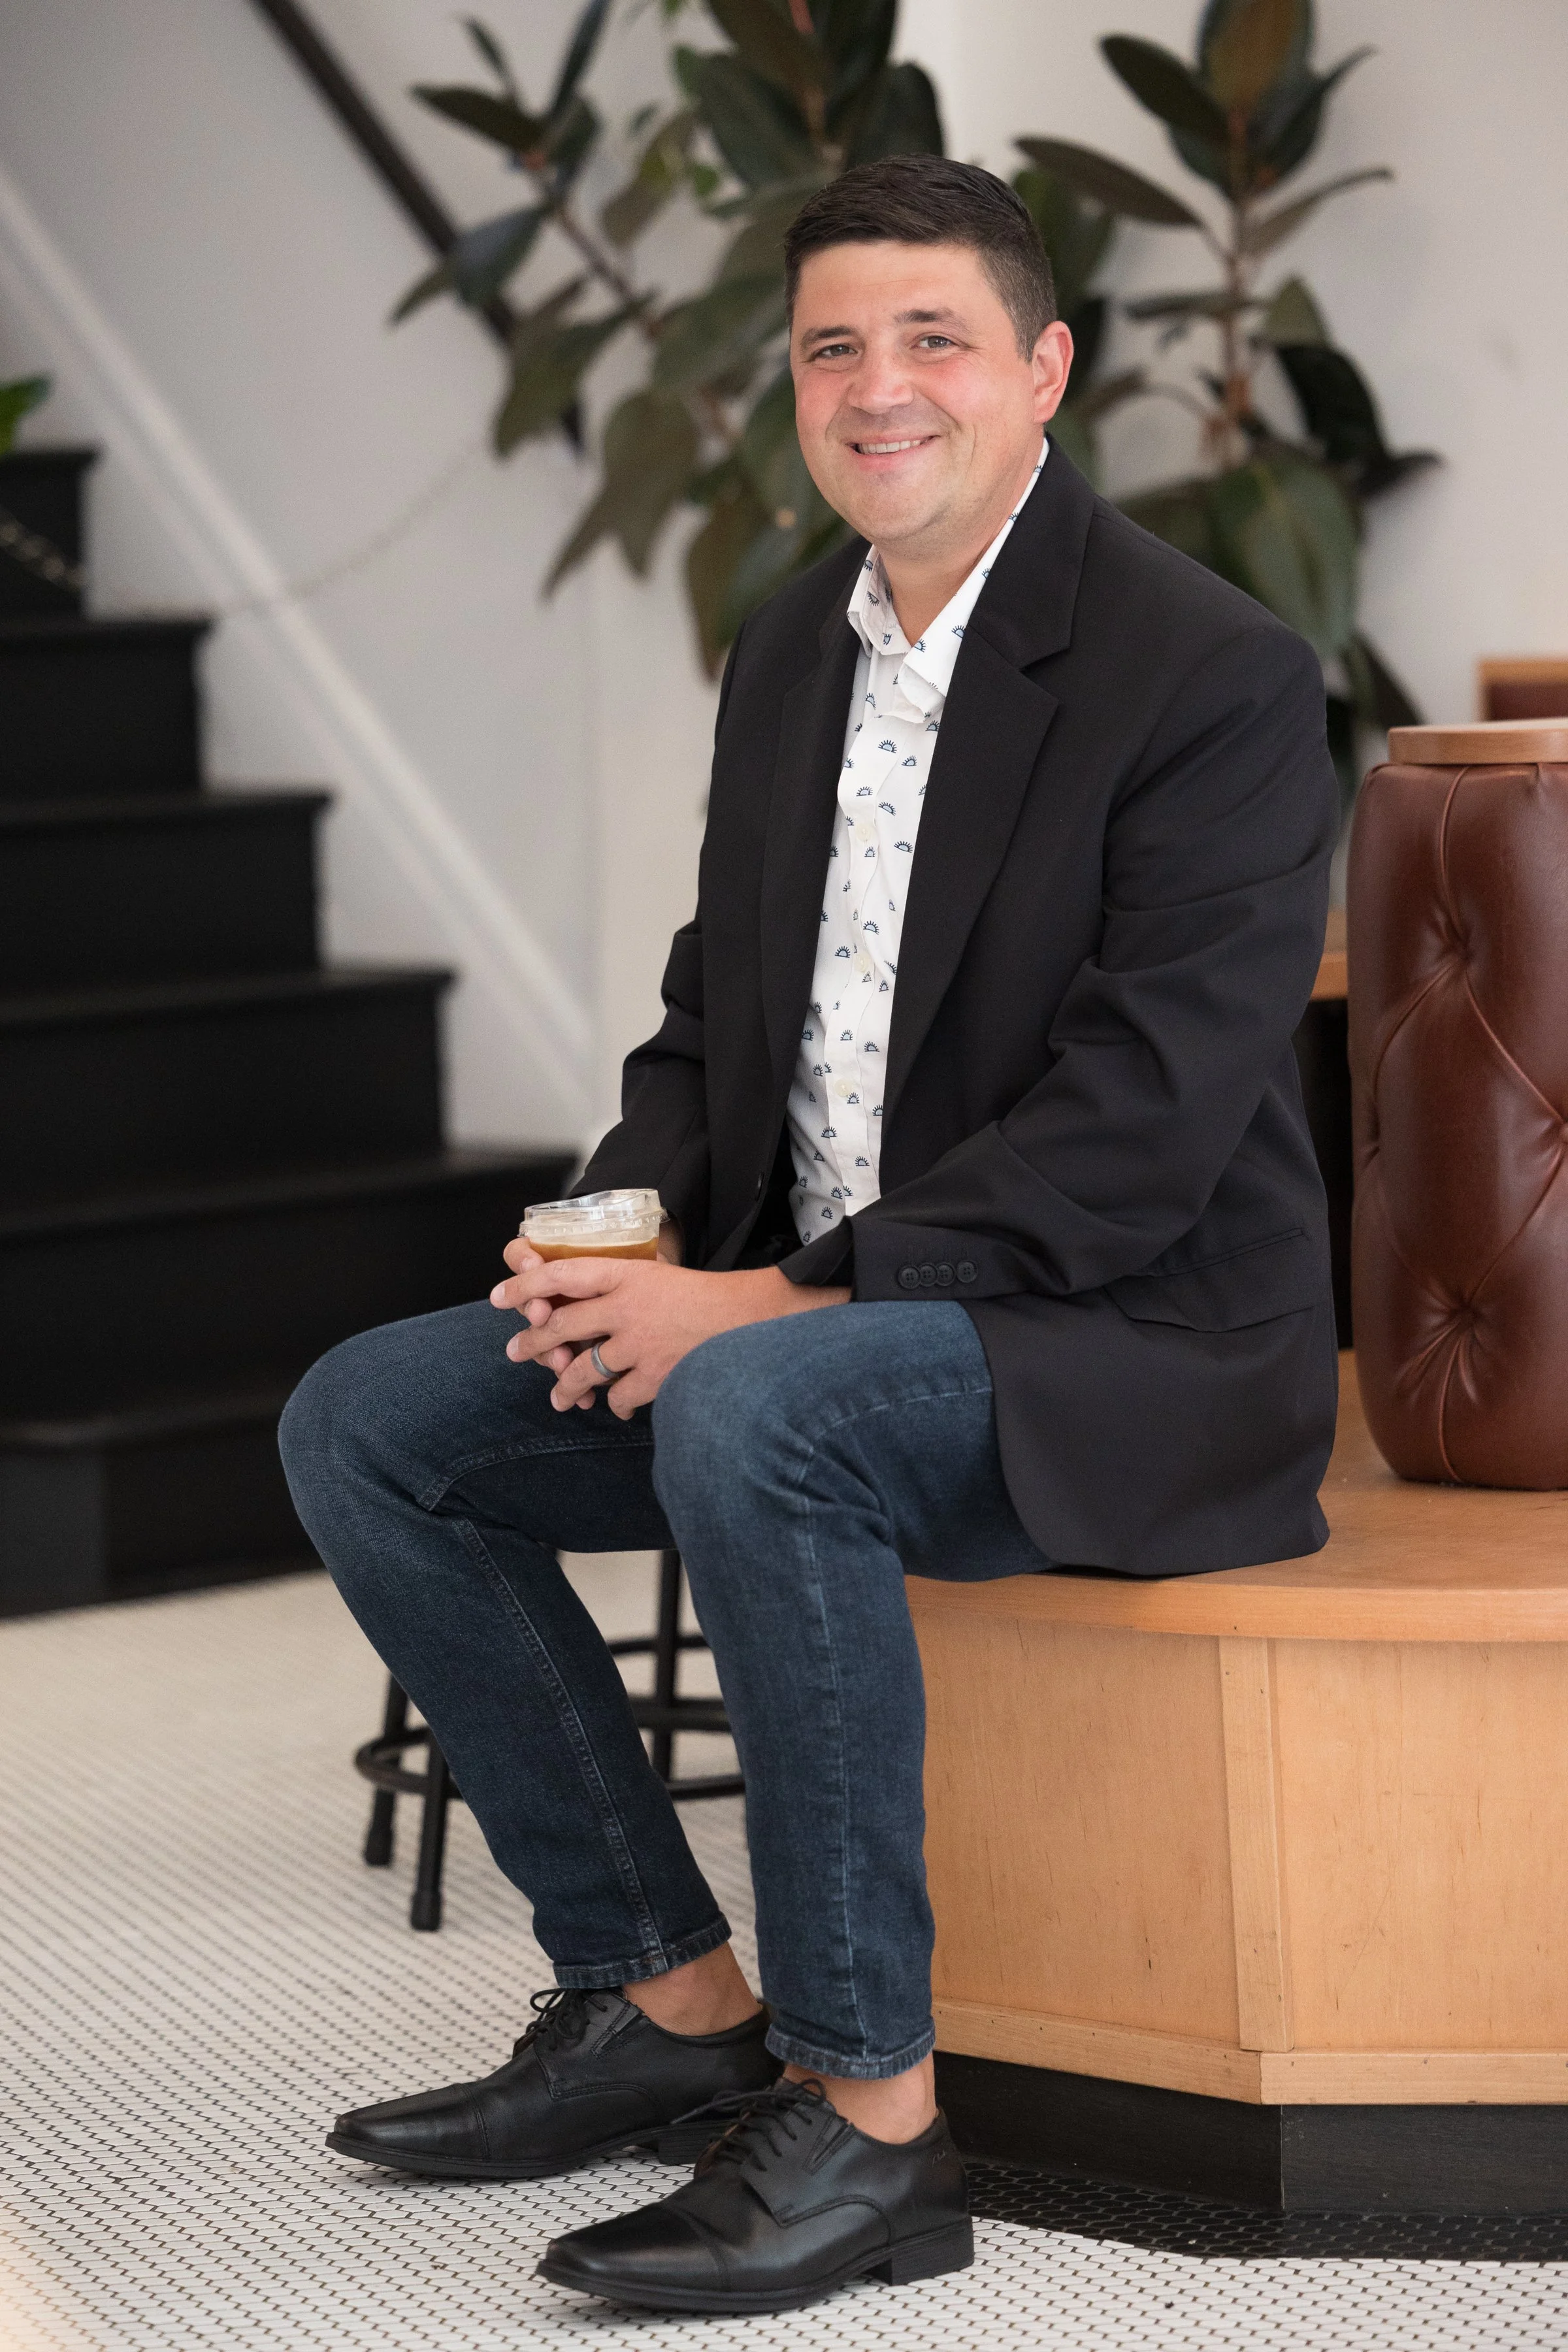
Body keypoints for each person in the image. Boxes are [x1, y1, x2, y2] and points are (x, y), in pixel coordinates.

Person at [280, 153, 1339, 2316]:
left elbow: (1133, 1146)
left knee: (759, 1409)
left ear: (1045, 369)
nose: (881, 387)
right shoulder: (791, 650)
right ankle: (661, 2005)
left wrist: (756, 1303)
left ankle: (872, 2128)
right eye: (834, 347)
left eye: (935, 337)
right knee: (372, 1418)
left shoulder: (1209, 674)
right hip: (810, 1319)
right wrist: (608, 1244)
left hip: (1120, 1345)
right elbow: (711, 1026)